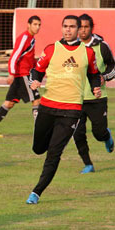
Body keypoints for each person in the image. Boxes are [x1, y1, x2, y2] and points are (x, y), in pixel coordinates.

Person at [26, 15, 101, 204]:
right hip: (48, 106)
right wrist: (34, 80)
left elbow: (94, 74)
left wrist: (95, 87)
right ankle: (41, 147)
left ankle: (36, 192)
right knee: (38, 149)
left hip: (72, 110)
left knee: (54, 152)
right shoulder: (52, 49)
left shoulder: (88, 53)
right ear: (62, 28)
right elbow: (36, 70)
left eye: (72, 27)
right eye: (65, 26)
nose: (68, 30)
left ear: (78, 30)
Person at [0, 16, 41, 138]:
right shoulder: (25, 37)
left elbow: (28, 58)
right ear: (28, 24)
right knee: (36, 100)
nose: (37, 27)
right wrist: (12, 73)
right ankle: (40, 132)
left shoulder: (31, 39)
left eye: (39, 25)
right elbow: (15, 55)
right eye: (35, 24)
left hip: (22, 75)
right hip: (22, 75)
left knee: (9, 103)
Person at [73, 13, 115, 174]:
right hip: (75, 98)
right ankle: (88, 164)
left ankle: (106, 136)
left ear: (91, 28)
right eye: (80, 27)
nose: (83, 30)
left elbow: (112, 66)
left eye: (86, 27)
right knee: (77, 133)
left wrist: (104, 77)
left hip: (97, 98)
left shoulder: (101, 46)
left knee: (98, 133)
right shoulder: (70, 45)